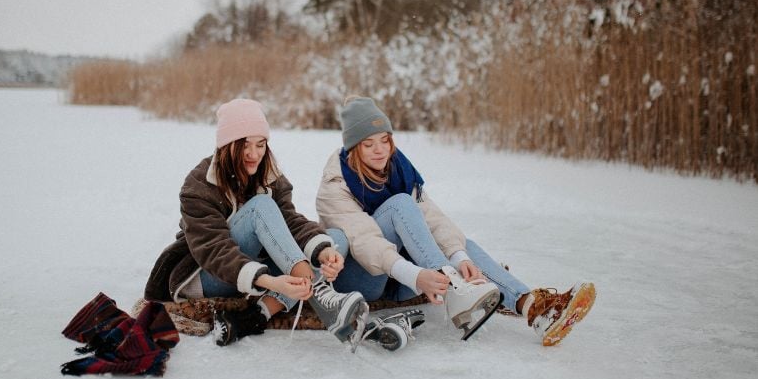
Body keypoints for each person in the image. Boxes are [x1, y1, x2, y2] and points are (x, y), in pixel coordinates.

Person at [316, 96, 596, 346]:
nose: (380, 150)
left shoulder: (398, 168)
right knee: (401, 204)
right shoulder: (336, 183)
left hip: (403, 281)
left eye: (385, 140)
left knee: (462, 247)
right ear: (353, 147)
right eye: (368, 144)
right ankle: (455, 290)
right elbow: (366, 243)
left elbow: (432, 219)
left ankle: (533, 308)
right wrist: (418, 275)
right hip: (365, 279)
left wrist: (459, 256)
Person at [142, 98, 368, 347]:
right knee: (261, 206)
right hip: (206, 273)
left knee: (335, 239)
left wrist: (323, 252)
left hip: (254, 267)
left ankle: (254, 316)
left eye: (260, 145)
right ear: (226, 146)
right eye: (244, 146)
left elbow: (290, 221)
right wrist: (271, 281)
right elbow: (215, 251)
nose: (254, 154)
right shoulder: (198, 185)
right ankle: (322, 294)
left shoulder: (269, 175)